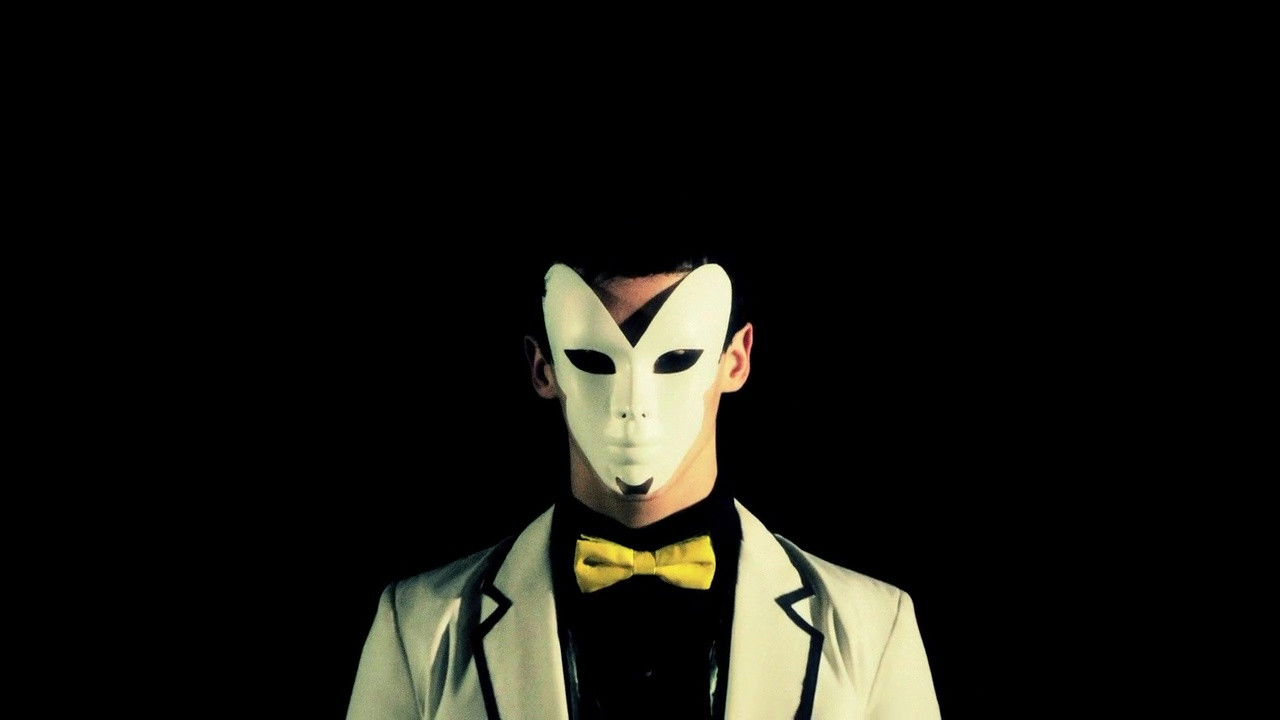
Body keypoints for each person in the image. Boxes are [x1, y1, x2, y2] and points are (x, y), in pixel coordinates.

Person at [347, 252, 941, 719]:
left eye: (676, 357)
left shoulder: (872, 629)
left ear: (735, 360)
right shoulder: (419, 628)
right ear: (542, 368)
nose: (634, 404)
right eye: (593, 359)